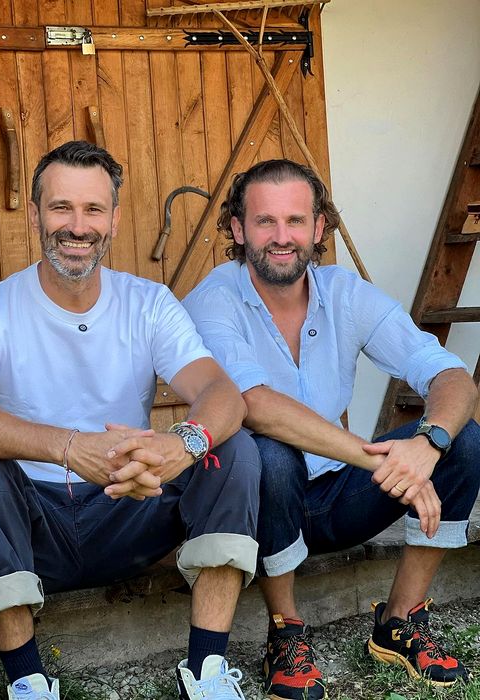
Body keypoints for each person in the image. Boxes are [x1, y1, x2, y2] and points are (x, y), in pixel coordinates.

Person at [0, 141, 262, 700]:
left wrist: (182, 442)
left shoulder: (149, 302)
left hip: (130, 510)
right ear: (34, 215)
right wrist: (68, 446)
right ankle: (29, 683)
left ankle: (206, 673)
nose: (77, 226)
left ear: (114, 219)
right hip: (35, 529)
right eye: (61, 208)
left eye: (93, 210)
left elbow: (222, 393)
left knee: (235, 450)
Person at [183, 158, 480, 700]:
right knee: (267, 452)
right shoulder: (212, 299)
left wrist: (429, 441)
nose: (282, 237)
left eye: (295, 220)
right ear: (238, 229)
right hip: (259, 506)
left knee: (462, 437)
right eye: (265, 221)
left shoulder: (344, 292)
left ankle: (399, 619)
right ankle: (285, 632)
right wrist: (382, 459)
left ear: (319, 227)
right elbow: (253, 404)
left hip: (340, 494)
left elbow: (449, 373)